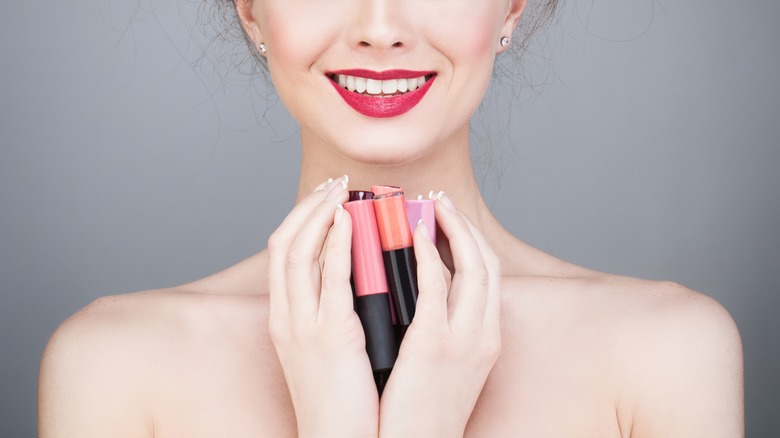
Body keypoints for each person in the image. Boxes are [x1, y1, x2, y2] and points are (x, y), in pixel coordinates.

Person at [38, 0, 744, 436]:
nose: (380, 29)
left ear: (510, 9)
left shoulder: (665, 352)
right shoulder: (114, 365)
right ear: (251, 11)